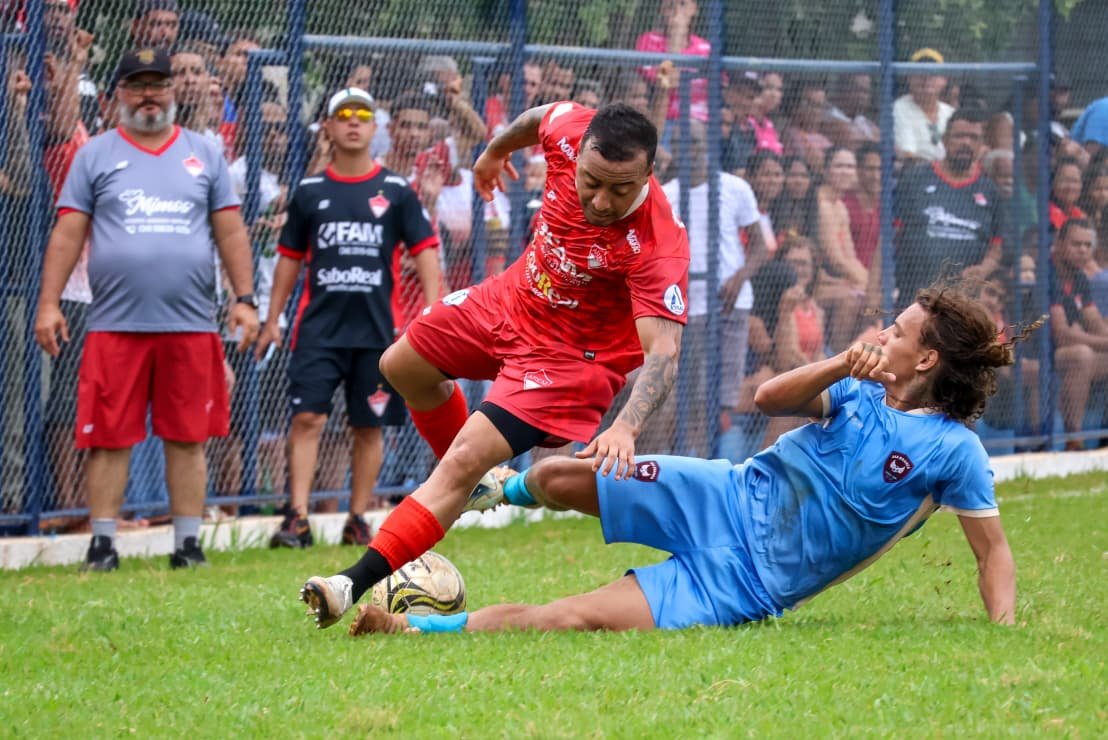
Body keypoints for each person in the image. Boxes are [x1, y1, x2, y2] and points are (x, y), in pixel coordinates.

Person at [345, 284, 1029, 636]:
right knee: (554, 474)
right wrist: (837, 363)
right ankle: (490, 489)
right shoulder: (856, 388)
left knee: (572, 616)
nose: (885, 330)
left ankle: (412, 625)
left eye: (899, 330)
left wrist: (1003, 633)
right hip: (722, 494)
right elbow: (766, 396)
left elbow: (992, 552)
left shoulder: (954, 452)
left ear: (929, 357)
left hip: (743, 584)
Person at [299, 101, 690, 628]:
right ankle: (475, 485)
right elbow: (541, 116)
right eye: (591, 182)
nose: (600, 200)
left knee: (461, 459)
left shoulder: (658, 244)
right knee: (401, 367)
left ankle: (351, 582)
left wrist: (625, 426)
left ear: (648, 174)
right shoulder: (570, 130)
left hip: (567, 361)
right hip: (510, 301)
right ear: (578, 155)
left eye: (619, 190)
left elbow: (663, 353)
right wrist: (494, 152)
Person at [32, 47, 259, 570]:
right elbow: (68, 233)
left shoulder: (204, 152)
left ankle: (187, 543)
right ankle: (103, 544)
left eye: (158, 84)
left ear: (174, 92)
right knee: (109, 438)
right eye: (137, 85)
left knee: (187, 436)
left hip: (191, 323)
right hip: (115, 322)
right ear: (119, 96)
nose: (149, 95)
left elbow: (230, 230)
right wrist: (48, 304)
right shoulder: (95, 154)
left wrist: (244, 301)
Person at [256, 88, 441, 548]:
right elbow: (288, 259)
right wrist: (272, 318)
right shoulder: (310, 191)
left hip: (377, 333)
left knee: (368, 425)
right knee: (307, 420)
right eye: (344, 115)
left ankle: (358, 517)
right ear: (329, 127)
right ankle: (295, 517)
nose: (354, 122)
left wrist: (432, 312)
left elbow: (425, 250)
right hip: (318, 330)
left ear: (374, 127)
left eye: (362, 115)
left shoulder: (396, 191)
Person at [894, 109, 1005, 308]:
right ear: (944, 140)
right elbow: (888, 238)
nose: (966, 143)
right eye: (959, 136)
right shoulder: (914, 180)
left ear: (981, 145)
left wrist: (984, 269)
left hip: (964, 305)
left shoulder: (990, 192)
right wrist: (875, 290)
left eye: (973, 138)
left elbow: (997, 245)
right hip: (914, 298)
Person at [1049, 218, 1108, 450]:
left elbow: (1094, 322)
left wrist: (1101, 338)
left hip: (1072, 353)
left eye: (1087, 245)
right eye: (1076, 244)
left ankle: (1105, 438)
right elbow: (1062, 335)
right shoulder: (1048, 274)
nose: (1083, 251)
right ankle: (1073, 439)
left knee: (1083, 351)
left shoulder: (1080, 277)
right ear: (1060, 243)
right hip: (1041, 357)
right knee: (1081, 354)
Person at [893, 48, 953, 164]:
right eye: (920, 72)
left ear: (944, 80)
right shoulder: (899, 108)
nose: (926, 78)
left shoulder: (951, 112)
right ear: (909, 78)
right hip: (917, 174)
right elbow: (907, 155)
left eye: (933, 73)